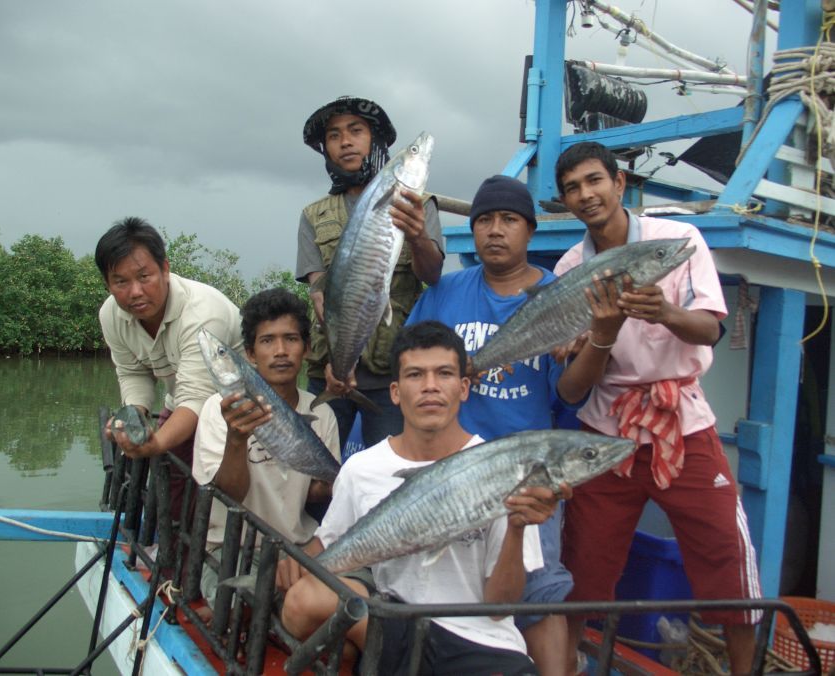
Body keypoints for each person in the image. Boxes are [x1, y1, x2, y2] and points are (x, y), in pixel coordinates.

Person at [553, 141, 761, 675]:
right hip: (604, 430)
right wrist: (599, 335)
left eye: (594, 180)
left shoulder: (679, 239)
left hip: (683, 423)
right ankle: (569, 667)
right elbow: (572, 391)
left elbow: (710, 327)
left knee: (726, 557)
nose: (586, 194)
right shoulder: (571, 267)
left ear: (619, 183)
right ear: (565, 200)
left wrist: (667, 312)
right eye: (573, 188)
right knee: (584, 567)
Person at [405, 175, 616, 676]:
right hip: (450, 472)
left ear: (530, 229)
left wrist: (600, 339)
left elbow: (569, 394)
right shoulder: (446, 291)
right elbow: (412, 372)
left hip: (529, 473)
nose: (494, 230)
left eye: (508, 219)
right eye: (483, 220)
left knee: (540, 593)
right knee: (438, 584)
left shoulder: (562, 294)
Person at [278, 320, 568, 675]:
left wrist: (518, 528)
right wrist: (286, 572)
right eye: (416, 375)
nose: (430, 387)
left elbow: (499, 607)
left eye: (444, 373)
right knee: (303, 601)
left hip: (482, 642)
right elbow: (328, 549)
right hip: (396, 626)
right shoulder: (362, 469)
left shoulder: (506, 471)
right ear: (396, 391)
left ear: (463, 388)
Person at [296, 95, 444, 453]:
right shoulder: (313, 215)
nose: (345, 141)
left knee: (390, 474)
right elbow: (319, 290)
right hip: (329, 370)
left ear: (375, 140)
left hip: (391, 371)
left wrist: (418, 235)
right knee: (314, 475)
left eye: (356, 131)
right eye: (334, 135)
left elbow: (433, 274)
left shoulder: (421, 205)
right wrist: (337, 362)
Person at [191, 288, 340, 600]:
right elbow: (229, 495)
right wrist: (236, 439)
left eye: (291, 339)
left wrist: (337, 486)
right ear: (249, 353)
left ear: (307, 348)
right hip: (231, 549)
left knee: (336, 606)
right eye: (267, 340)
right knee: (239, 605)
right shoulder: (217, 411)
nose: (281, 351)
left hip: (298, 547)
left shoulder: (320, 413)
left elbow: (312, 489)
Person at [95, 216, 243, 519]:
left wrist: (156, 442)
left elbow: (196, 398)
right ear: (108, 284)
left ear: (165, 269)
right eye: (120, 282)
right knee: (172, 490)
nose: (134, 291)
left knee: (217, 495)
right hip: (184, 403)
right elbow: (132, 372)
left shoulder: (202, 313)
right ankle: (173, 556)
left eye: (144, 276)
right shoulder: (111, 314)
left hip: (238, 407)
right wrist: (132, 417)